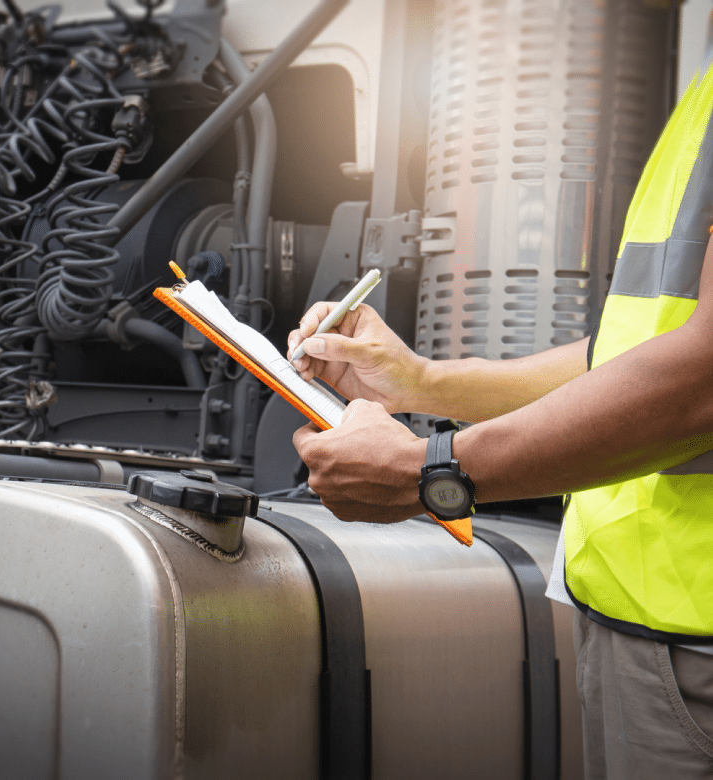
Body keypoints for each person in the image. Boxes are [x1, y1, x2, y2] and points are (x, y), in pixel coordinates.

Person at [287, 62, 713, 780]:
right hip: (641, 627)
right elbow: (635, 353)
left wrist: (424, 474)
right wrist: (420, 383)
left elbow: (701, 380)